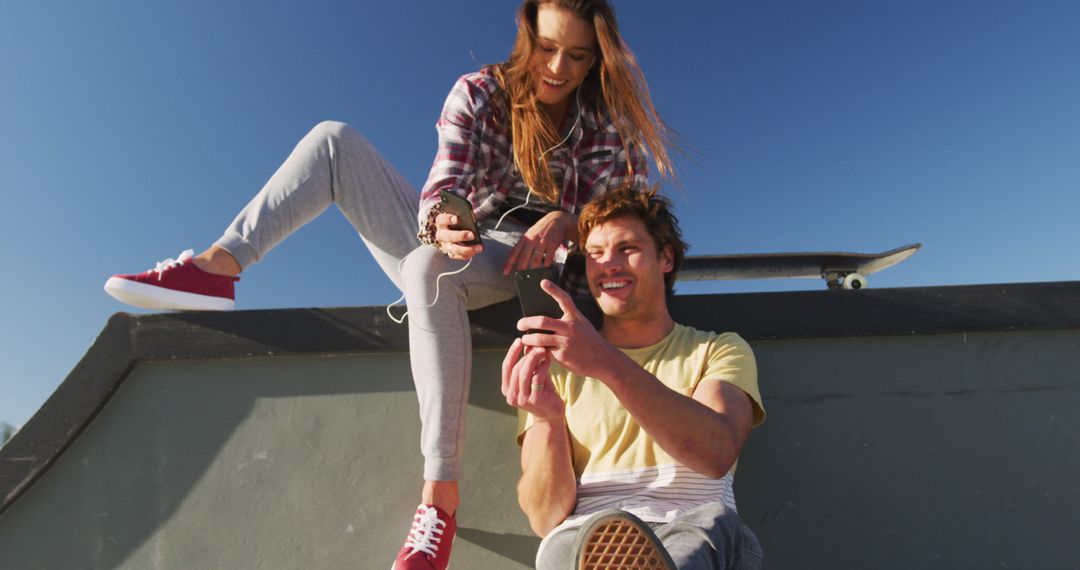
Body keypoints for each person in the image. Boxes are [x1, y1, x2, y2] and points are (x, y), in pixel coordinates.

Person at [102, 1, 673, 568]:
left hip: (546, 270)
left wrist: (571, 221)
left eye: (576, 56)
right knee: (335, 143)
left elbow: (628, 216)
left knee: (422, 270)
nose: (557, 68)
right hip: (470, 248)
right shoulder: (479, 92)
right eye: (547, 48)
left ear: (595, 59)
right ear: (527, 36)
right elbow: (443, 184)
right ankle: (217, 268)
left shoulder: (603, 123)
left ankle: (438, 503)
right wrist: (445, 220)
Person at [503, 187, 766, 569]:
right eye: (594, 254)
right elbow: (545, 517)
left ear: (665, 257)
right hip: (585, 532)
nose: (608, 264)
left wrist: (605, 362)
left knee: (698, 541)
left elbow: (716, 453)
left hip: (694, 523)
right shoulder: (555, 369)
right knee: (562, 549)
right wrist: (547, 418)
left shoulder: (717, 349)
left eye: (627, 248)